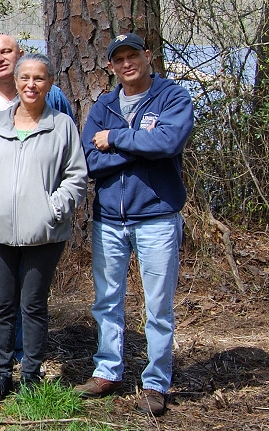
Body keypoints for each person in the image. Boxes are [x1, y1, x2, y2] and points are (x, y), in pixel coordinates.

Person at [75, 33, 194, 417]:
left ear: (147, 56)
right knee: (107, 300)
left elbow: (168, 142)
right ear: (111, 66)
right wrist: (137, 147)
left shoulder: (172, 97)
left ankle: (156, 382)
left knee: (158, 306)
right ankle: (108, 370)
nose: (127, 63)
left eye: (133, 55)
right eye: (119, 59)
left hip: (157, 216)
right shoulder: (105, 105)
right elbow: (89, 161)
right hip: (109, 219)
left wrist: (116, 140)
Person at [0, 53, 88, 401]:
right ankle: (2, 374)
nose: (31, 85)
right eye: (25, 79)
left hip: (44, 234)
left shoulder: (62, 126)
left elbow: (76, 177)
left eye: (39, 79)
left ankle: (31, 375)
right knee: (1, 305)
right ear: (16, 82)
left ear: (49, 84)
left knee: (32, 305)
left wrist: (54, 209)